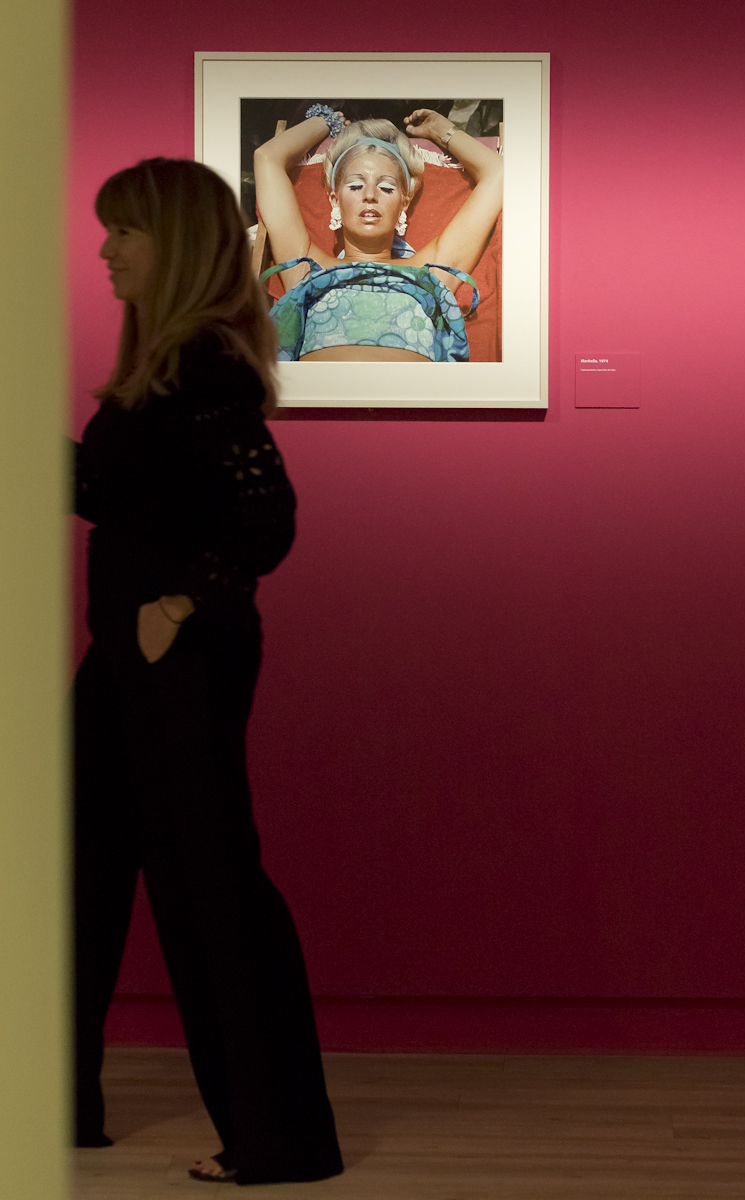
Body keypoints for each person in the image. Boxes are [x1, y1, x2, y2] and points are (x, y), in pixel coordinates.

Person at [71, 156, 344, 1186]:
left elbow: (263, 518)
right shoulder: (163, 370)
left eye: (125, 232)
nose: (107, 251)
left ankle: (280, 1142)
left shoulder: (204, 369)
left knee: (210, 889)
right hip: (126, 660)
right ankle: (58, 1102)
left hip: (176, 660)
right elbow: (128, 496)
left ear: (175, 246)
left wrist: (177, 606)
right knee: (80, 869)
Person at [253, 107, 503, 361]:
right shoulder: (305, 268)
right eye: (355, 186)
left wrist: (441, 130)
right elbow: (267, 158)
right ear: (335, 200)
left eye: (386, 187)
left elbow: (498, 172)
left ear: (404, 202)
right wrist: (327, 121)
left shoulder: (432, 273)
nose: (370, 195)